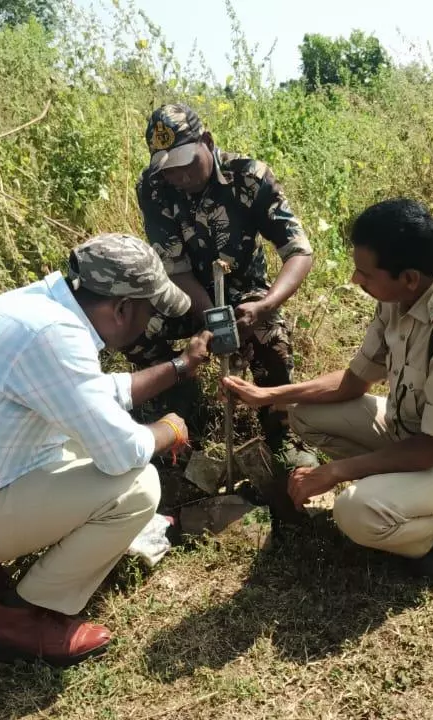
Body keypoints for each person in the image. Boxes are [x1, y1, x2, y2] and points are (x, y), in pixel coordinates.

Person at [0, 233, 213, 666]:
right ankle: (20, 621)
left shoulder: (35, 309)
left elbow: (91, 395)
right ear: (121, 308)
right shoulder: (54, 337)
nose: (150, 323)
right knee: (138, 485)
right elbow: (124, 451)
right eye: (150, 312)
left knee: (86, 437)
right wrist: (168, 429)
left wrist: (180, 367)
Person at [221, 198, 433, 576]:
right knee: (304, 411)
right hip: (413, 437)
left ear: (409, 277)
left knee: (355, 512)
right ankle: (407, 494)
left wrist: (336, 472)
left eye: (365, 273)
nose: (356, 280)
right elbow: (353, 383)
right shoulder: (398, 299)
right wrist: (269, 396)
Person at [126, 103, 316, 498]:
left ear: (207, 142)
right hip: (183, 291)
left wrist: (265, 305)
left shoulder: (249, 178)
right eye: (168, 168)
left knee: (271, 340)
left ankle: (280, 433)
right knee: (134, 326)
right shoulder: (153, 187)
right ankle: (176, 409)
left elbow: (298, 251)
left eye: (185, 163)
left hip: (245, 290)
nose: (178, 176)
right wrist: (211, 317)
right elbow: (174, 268)